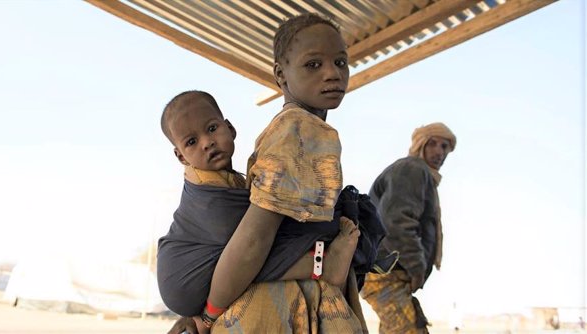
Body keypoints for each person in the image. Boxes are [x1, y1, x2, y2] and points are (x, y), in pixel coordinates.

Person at [169, 13, 370, 334]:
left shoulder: (289, 127)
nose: (333, 73)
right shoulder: (299, 129)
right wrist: (207, 316)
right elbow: (253, 239)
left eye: (341, 62)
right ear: (281, 75)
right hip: (281, 310)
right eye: (313, 64)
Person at [157, 90, 359, 317]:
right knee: (252, 248)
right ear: (182, 157)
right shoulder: (207, 196)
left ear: (230, 129)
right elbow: (251, 242)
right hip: (185, 279)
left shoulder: (229, 180)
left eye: (212, 129)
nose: (207, 143)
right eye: (192, 142)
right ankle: (320, 265)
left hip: (193, 280)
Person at [360, 122, 457, 334]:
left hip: (389, 272)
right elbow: (397, 222)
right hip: (385, 273)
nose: (440, 152)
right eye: (433, 144)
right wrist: (417, 266)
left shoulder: (420, 174)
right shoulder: (413, 168)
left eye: (445, 147)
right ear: (420, 145)